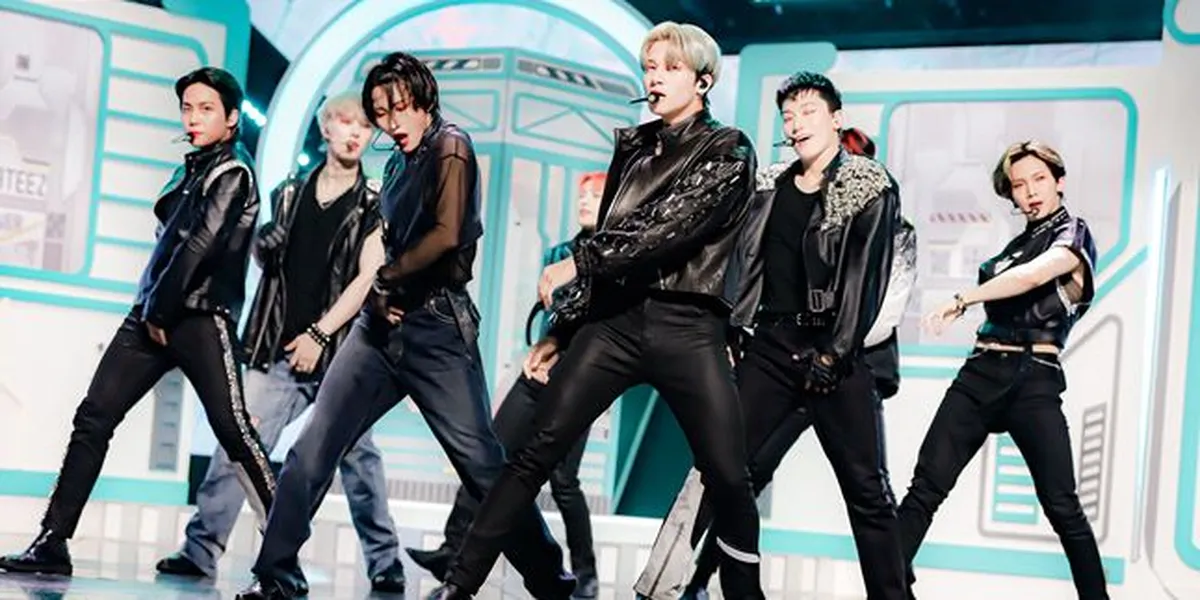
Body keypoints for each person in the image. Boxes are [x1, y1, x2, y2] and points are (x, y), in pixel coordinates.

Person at [435, 21, 765, 600]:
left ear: (703, 81)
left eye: (670, 67)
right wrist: (562, 330)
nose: (654, 78)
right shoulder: (634, 148)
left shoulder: (728, 148)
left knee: (728, 475)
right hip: (616, 323)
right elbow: (616, 246)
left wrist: (577, 262)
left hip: (689, 327)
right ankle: (457, 587)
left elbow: (668, 227)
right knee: (533, 453)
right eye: (650, 67)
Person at [234, 52, 574, 600]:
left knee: (481, 465)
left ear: (423, 100)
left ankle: (551, 581)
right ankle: (275, 575)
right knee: (312, 449)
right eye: (381, 112)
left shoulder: (451, 146)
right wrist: (377, 294)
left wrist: (386, 280)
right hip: (377, 330)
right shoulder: (394, 165)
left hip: (436, 330)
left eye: (399, 108)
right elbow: (388, 240)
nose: (391, 122)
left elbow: (447, 235)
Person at [0, 67, 274, 576]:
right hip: (152, 311)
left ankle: (281, 549)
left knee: (233, 429)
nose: (193, 118)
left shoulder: (233, 172)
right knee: (94, 417)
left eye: (206, 109)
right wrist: (151, 308)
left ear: (233, 117)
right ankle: (52, 541)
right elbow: (170, 244)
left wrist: (158, 311)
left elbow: (198, 248)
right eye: (187, 108)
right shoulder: (191, 169)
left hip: (198, 316)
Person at [635, 125, 918, 600]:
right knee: (736, 470)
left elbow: (882, 309)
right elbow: (757, 271)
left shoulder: (894, 226)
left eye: (855, 160)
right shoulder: (782, 198)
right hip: (779, 355)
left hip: (844, 367)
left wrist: (835, 351)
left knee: (867, 490)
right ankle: (693, 582)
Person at [153, 90, 405, 593]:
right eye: (346, 122)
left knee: (360, 461)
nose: (355, 133)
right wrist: (263, 249)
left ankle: (385, 562)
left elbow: (368, 276)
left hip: (340, 352)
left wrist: (320, 334)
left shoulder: (374, 203)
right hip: (279, 348)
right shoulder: (288, 194)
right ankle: (200, 550)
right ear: (326, 127)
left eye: (364, 127)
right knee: (239, 443)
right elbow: (272, 265)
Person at [897, 140, 1107, 599]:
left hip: (1033, 377)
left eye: (1039, 180)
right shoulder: (1014, 246)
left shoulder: (1073, 233)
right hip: (979, 374)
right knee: (925, 488)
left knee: (1062, 506)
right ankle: (887, 589)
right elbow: (1016, 274)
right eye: (1019, 185)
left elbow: (1033, 276)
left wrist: (962, 300)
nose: (1030, 192)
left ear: (1059, 182)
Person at [409, 173, 606, 599]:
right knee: (489, 452)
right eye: (582, 195)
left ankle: (584, 571)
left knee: (564, 481)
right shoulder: (559, 254)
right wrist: (542, 348)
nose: (585, 202)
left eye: (595, 195)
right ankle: (452, 549)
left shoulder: (614, 259)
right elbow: (552, 315)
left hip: (582, 378)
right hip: (540, 368)